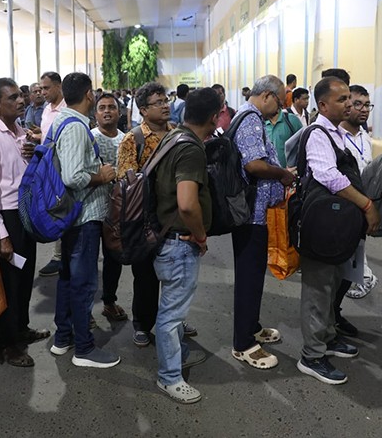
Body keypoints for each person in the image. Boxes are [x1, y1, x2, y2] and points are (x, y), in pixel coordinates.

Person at [296, 77, 380, 385]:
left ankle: (328, 338)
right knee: (318, 290)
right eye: (343, 99)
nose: (350, 104)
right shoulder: (318, 134)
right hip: (322, 226)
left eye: (351, 98)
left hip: (337, 225)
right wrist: (367, 205)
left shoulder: (338, 133)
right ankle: (312, 355)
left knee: (332, 283)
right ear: (323, 105)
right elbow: (328, 176)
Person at [0, 78, 50, 369]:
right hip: (6, 218)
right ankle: (7, 345)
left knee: (24, 277)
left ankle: (21, 329)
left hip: (24, 213)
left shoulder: (20, 131)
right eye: (13, 98)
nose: (21, 100)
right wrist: (2, 235)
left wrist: (35, 150)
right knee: (9, 283)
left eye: (20, 95)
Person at [152, 87, 220, 404]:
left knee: (171, 308)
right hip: (179, 242)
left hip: (166, 239)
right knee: (171, 315)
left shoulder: (173, 136)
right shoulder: (191, 149)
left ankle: (177, 358)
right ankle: (169, 378)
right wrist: (201, 236)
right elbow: (188, 204)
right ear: (214, 116)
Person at [117, 83, 197, 347]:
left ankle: (173, 319)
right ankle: (142, 324)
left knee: (176, 275)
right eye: (158, 102)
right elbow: (126, 181)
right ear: (143, 110)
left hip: (174, 217)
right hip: (144, 219)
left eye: (166, 100)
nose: (165, 106)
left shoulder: (177, 133)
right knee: (146, 276)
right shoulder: (134, 139)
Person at [48, 72, 120, 368]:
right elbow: (74, 176)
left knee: (68, 278)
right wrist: (101, 175)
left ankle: (63, 337)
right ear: (89, 95)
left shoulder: (59, 120)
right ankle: (84, 349)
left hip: (68, 214)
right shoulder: (77, 127)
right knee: (83, 282)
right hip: (83, 214)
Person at [229, 75, 294, 370]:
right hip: (250, 215)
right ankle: (243, 344)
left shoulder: (246, 116)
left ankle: (251, 326)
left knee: (254, 276)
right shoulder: (251, 119)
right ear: (267, 96)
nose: (279, 109)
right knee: (249, 278)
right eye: (279, 102)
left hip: (254, 212)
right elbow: (253, 165)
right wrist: (281, 173)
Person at [338, 86, 378, 310]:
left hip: (363, 207)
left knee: (354, 256)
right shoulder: (335, 137)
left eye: (367, 105)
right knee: (336, 266)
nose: (364, 110)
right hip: (342, 208)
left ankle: (337, 313)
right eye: (358, 104)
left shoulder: (365, 137)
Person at [91, 93, 127, 323]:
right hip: (93, 209)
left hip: (117, 212)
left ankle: (109, 302)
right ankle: (84, 310)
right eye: (102, 107)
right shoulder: (89, 138)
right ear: (95, 114)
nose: (107, 111)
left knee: (114, 258)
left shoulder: (126, 140)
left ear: (119, 112)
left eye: (111, 107)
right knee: (88, 262)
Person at [37, 71, 66, 277]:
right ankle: (59, 254)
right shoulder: (47, 109)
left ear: (58, 86)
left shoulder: (67, 110)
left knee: (62, 209)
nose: (43, 92)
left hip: (63, 167)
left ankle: (60, 256)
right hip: (47, 166)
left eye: (46, 88)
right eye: (41, 88)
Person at [264, 101, 302, 168]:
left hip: (291, 173)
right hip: (269, 173)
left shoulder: (291, 120)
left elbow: (303, 144)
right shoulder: (262, 124)